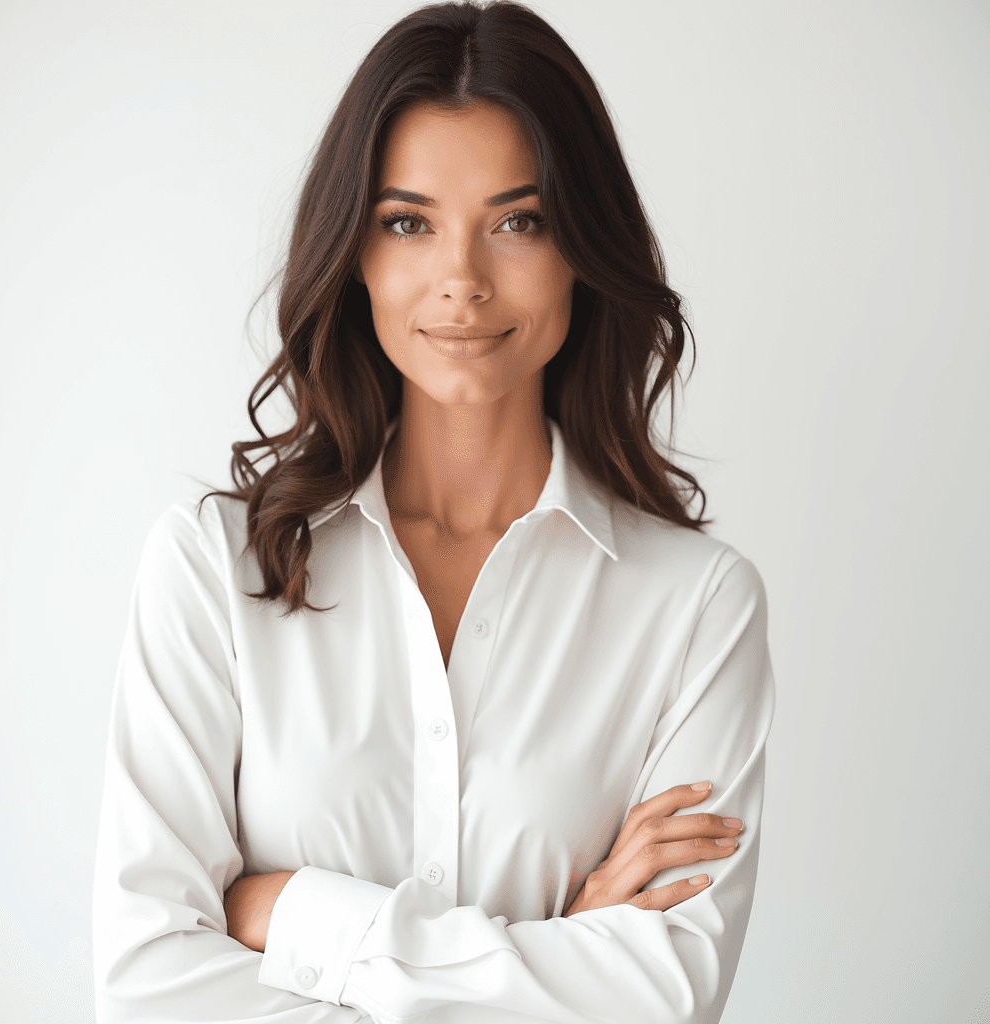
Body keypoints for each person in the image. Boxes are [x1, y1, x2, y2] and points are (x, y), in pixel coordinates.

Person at [91, 2, 775, 1021]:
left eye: (518, 221)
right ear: (355, 252)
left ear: (580, 247)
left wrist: (300, 916)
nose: (460, 279)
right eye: (408, 222)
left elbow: (660, 998)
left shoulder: (697, 609)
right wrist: (562, 946)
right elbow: (148, 989)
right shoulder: (210, 573)